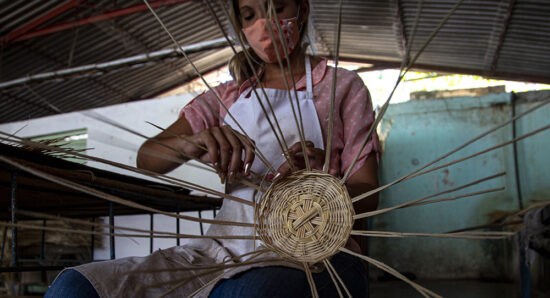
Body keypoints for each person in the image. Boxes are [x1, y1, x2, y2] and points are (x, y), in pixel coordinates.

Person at [45, 0, 380, 297]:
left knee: (248, 293)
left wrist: (320, 184)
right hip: (222, 249)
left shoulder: (342, 87)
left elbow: (368, 191)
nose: (264, 24)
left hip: (316, 252)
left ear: (302, 10)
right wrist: (190, 143)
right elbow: (147, 158)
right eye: (249, 15)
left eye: (277, 9)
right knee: (75, 287)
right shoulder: (226, 97)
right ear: (241, 26)